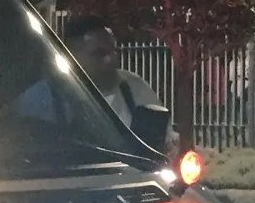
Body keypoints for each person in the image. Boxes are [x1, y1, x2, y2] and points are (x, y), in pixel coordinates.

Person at [63, 14, 179, 154]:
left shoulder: (134, 87)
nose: (110, 59)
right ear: (71, 56)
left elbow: (164, 142)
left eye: (113, 51)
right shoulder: (47, 98)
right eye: (99, 54)